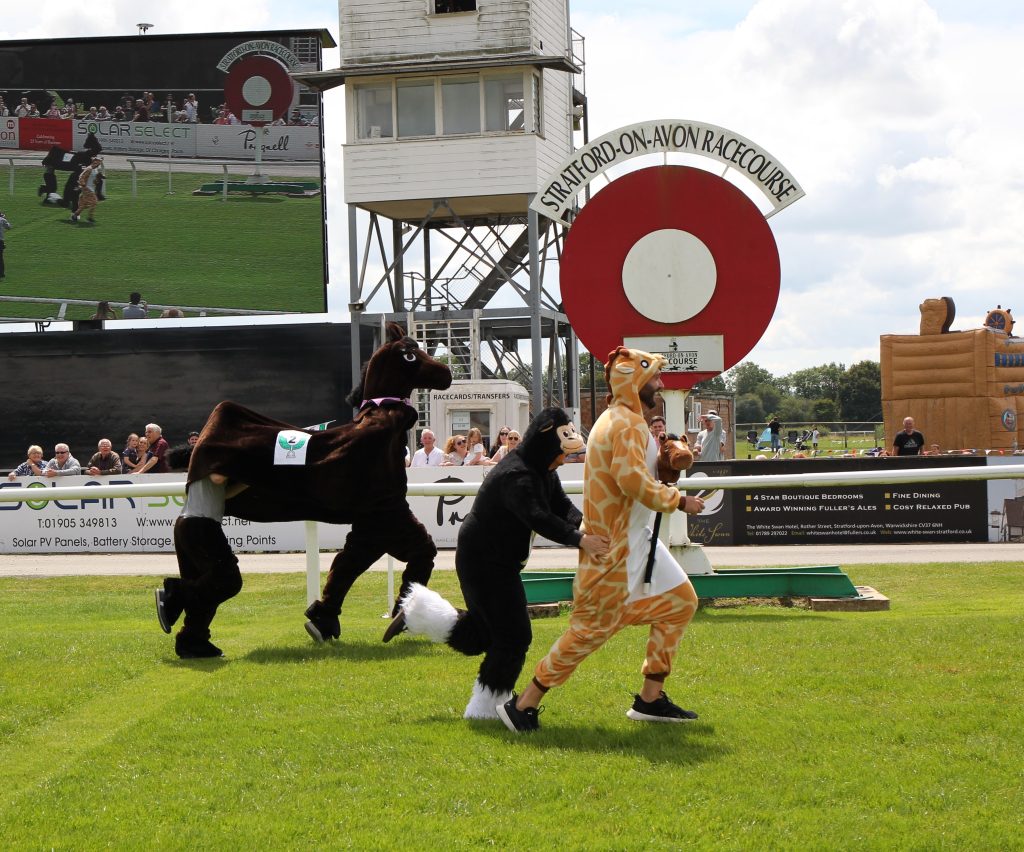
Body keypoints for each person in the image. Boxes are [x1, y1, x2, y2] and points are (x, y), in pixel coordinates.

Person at [497, 346, 705, 733]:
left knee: (680, 603)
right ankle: (522, 705)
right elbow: (630, 481)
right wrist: (679, 500)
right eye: (654, 377)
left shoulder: (625, 420)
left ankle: (650, 700)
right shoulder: (626, 424)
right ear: (635, 382)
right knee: (590, 631)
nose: (661, 384)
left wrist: (663, 470)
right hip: (615, 548)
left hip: (635, 539)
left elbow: (633, 478)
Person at [383, 408, 610, 719]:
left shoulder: (542, 469)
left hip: (497, 561)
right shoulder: (517, 476)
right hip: (485, 563)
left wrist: (583, 525)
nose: (563, 460)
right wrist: (580, 539)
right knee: (514, 637)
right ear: (546, 444)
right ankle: (485, 709)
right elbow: (537, 516)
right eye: (562, 454)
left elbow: (560, 505)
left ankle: (420, 612)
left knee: (484, 634)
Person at [155, 473, 244, 658]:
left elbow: (224, 492)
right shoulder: (214, 449)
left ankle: (192, 641)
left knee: (203, 589)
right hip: (201, 524)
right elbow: (218, 478)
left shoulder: (208, 452)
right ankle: (175, 593)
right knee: (229, 580)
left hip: (191, 524)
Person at [70, 157, 103, 225]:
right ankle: (90, 218)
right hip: (87, 188)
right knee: (94, 202)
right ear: (93, 162)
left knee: (84, 204)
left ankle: (75, 215)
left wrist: (99, 178)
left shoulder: (95, 170)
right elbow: (81, 177)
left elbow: (94, 181)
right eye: (97, 163)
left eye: (99, 163)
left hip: (91, 188)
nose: (98, 165)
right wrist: (83, 185)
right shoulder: (89, 169)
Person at [0, 210, 9, 280]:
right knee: (0, 258)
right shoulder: (2, 220)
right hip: (0, 241)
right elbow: (9, 227)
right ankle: (1, 273)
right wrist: (4, 218)